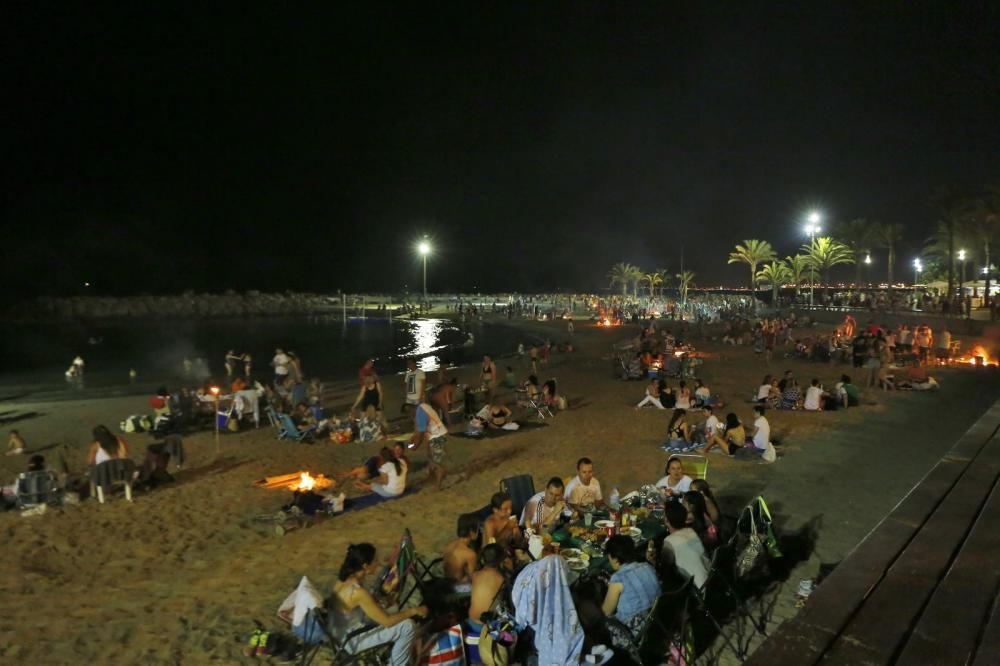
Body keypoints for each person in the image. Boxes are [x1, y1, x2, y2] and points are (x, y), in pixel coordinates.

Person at [330, 543, 426, 666]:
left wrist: (383, 599)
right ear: (365, 566)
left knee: (393, 609)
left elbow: (360, 605)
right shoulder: (358, 591)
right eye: (375, 560)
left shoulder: (343, 580)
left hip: (341, 635)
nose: (378, 563)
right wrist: (414, 611)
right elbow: (387, 621)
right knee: (408, 626)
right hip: (353, 640)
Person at [602, 535, 661, 655]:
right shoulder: (648, 567)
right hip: (658, 625)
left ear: (614, 558)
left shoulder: (618, 579)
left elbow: (606, 612)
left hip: (635, 635)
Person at [660, 501, 710, 589]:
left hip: (698, 588)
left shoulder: (669, 542)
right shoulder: (691, 531)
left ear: (667, 521)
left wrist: (652, 561)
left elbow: (665, 570)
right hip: (711, 579)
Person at [411, 401, 449, 490]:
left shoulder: (420, 414)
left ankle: (438, 485)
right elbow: (422, 433)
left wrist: (413, 446)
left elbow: (420, 436)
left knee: (437, 463)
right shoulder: (424, 406)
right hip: (436, 434)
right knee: (431, 459)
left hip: (437, 435)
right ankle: (433, 478)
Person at [468, 544, 508, 627]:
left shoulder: (475, 575)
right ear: (501, 561)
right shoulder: (501, 579)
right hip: (486, 626)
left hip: (471, 621)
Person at [443, 513, 481, 588]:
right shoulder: (470, 554)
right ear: (471, 532)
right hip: (457, 587)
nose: (478, 532)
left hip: (446, 583)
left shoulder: (449, 545)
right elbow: (472, 578)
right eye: (477, 530)